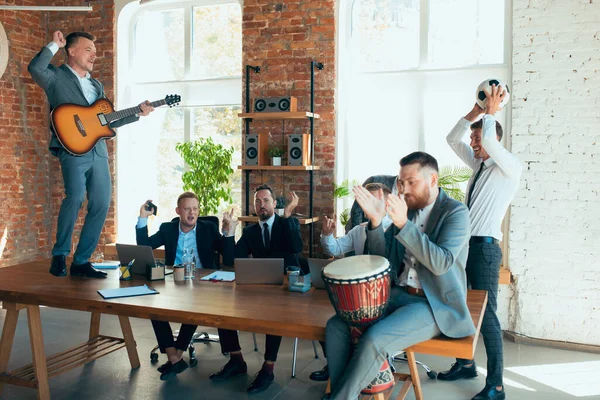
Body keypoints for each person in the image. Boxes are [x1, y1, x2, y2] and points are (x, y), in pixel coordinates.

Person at [323, 152, 474, 400]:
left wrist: (404, 225)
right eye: (401, 182)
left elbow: (441, 263)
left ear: (433, 179)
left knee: (374, 339)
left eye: (411, 182)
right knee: (337, 325)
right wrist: (374, 221)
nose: (403, 189)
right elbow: (384, 262)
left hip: (433, 304)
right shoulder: (408, 213)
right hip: (397, 294)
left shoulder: (455, 213)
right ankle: (342, 394)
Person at [28, 30, 154, 278]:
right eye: (88, 50)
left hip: (97, 151)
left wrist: (138, 112)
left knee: (101, 204)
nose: (94, 55)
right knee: (75, 197)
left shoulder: (96, 85)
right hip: (72, 149)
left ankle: (81, 262)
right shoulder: (55, 77)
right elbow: (35, 68)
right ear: (72, 51)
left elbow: (106, 122)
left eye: (95, 52)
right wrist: (54, 45)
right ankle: (60, 254)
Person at [437, 85, 522, 400]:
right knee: (463, 307)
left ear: (496, 140)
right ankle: (465, 364)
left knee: (488, 316)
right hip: (465, 247)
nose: (473, 144)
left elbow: (487, 138)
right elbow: (451, 139)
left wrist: (491, 111)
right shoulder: (479, 167)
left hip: (485, 250)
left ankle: (497, 385)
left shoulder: (509, 167)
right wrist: (476, 111)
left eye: (478, 138)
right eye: (473, 139)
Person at [209, 184, 303, 394]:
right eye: (257, 202)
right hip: (261, 287)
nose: (262, 205)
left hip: (287, 288)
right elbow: (232, 260)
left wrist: (288, 215)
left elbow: (296, 247)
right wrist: (230, 232)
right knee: (223, 308)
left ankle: (268, 369)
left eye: (266, 200)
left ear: (274, 203)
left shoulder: (286, 223)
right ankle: (236, 360)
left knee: (273, 314)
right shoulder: (251, 231)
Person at [136, 192, 236, 380]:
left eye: (195, 209)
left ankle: (174, 358)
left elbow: (229, 259)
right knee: (153, 308)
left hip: (204, 284)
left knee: (193, 306)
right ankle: (175, 359)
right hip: (173, 281)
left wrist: (229, 232)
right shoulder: (168, 229)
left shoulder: (209, 229)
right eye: (187, 209)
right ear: (178, 211)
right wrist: (143, 218)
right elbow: (144, 247)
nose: (192, 213)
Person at [309, 182, 393, 383]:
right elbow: (335, 250)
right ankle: (338, 368)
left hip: (385, 297)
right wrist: (327, 234)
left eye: (370, 200)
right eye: (362, 201)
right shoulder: (359, 230)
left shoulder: (396, 228)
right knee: (329, 322)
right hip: (357, 298)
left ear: (387, 203)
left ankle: (372, 370)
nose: (365, 206)